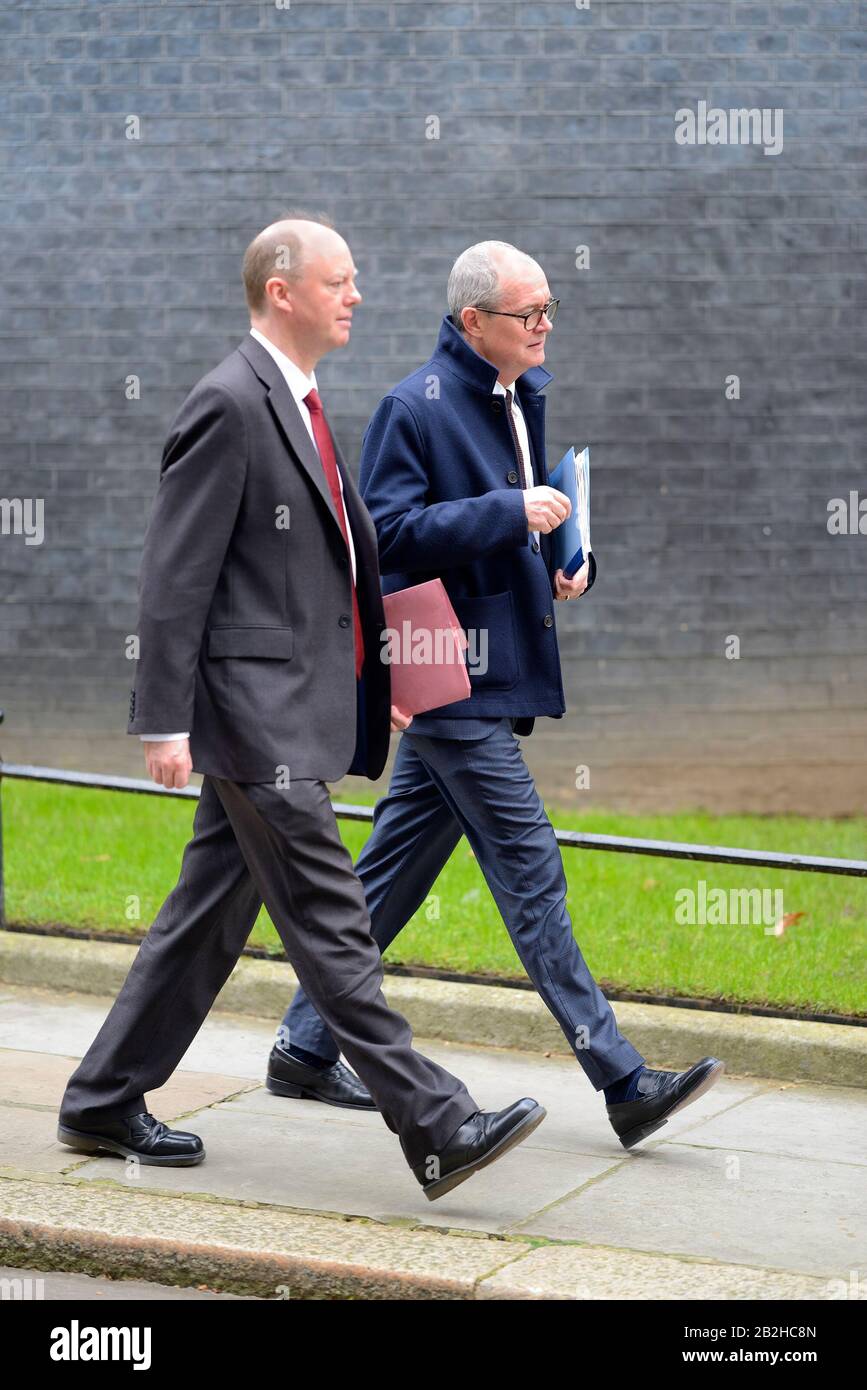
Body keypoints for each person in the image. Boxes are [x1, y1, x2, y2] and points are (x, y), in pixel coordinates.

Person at [57, 216, 545, 1202]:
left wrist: (387, 679)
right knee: (332, 919)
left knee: (205, 917)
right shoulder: (229, 402)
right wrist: (163, 721)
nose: (355, 294)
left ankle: (103, 1098)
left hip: (288, 705)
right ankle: (439, 1124)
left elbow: (338, 571)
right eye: (338, 280)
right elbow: (174, 576)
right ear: (282, 290)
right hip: (253, 717)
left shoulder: (303, 399)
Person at [272, 240, 724, 1151]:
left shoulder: (519, 394)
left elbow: (528, 512)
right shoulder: (414, 406)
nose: (545, 325)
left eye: (549, 308)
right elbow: (387, 538)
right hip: (450, 682)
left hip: (487, 670)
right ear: (473, 321)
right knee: (531, 869)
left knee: (387, 879)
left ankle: (303, 1044)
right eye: (530, 314)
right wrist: (512, 511)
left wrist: (571, 561)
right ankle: (623, 1078)